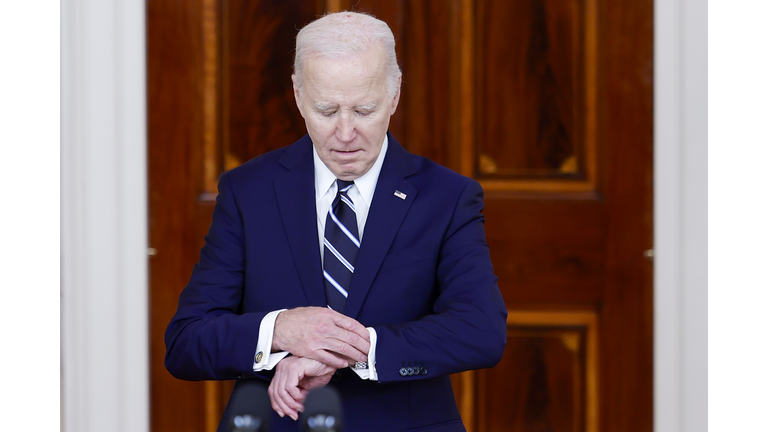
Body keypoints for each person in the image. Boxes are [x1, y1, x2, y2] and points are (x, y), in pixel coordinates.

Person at [165, 11, 507, 432]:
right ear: (298, 95)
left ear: (394, 94)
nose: (345, 134)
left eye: (364, 109)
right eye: (326, 110)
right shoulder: (247, 191)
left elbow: (481, 331)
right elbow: (186, 342)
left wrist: (348, 349)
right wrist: (281, 330)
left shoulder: (448, 197)